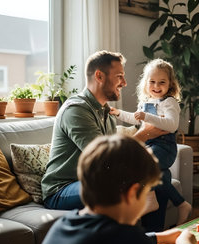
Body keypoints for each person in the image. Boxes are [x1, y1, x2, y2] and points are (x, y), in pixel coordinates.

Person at [41, 50, 166, 211]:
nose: (125, 83)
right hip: (61, 189)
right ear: (99, 76)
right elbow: (103, 158)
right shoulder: (76, 110)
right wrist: (143, 135)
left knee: (158, 176)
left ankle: (153, 235)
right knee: (114, 186)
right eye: (119, 76)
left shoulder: (106, 112)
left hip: (95, 180)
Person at [38, 135, 197, 244]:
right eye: (146, 193)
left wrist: (159, 237)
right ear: (132, 193)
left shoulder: (64, 224)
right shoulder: (126, 238)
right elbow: (125, 241)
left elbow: (109, 241)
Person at [111, 59, 191, 225]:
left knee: (144, 165)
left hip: (165, 147)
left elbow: (171, 124)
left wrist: (147, 117)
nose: (157, 86)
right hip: (150, 145)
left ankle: (153, 199)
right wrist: (118, 113)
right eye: (152, 82)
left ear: (170, 84)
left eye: (162, 82)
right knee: (161, 175)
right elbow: (135, 118)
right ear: (145, 83)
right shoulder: (146, 102)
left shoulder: (169, 102)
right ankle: (181, 204)